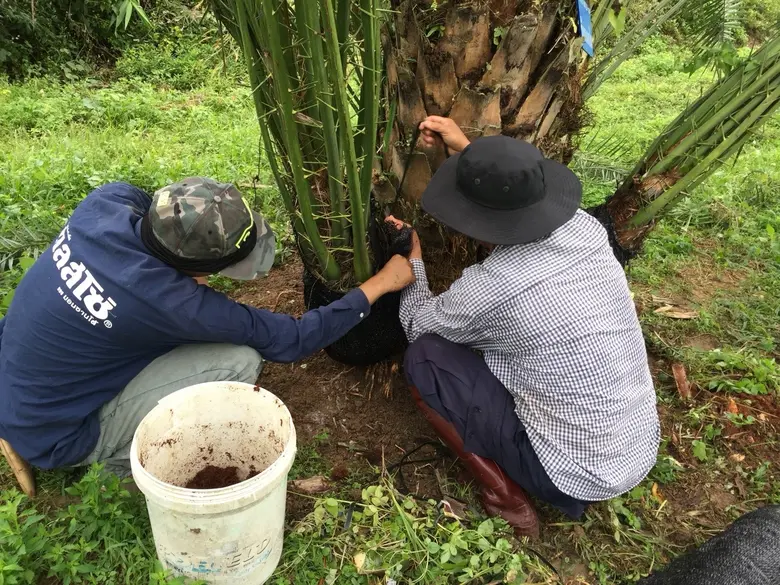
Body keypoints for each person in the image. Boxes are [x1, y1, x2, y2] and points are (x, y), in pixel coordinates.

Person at [0, 178, 414, 478]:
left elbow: (143, 200)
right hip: (58, 434)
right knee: (239, 360)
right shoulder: (173, 303)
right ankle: (120, 466)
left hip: (17, 378)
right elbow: (291, 339)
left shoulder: (104, 204)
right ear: (194, 269)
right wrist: (382, 283)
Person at [392, 116, 660, 537]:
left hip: (569, 473)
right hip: (635, 446)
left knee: (426, 356)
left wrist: (414, 261)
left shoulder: (493, 287)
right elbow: (513, 197)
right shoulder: (586, 231)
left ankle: (505, 495)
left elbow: (417, 324)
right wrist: (469, 150)